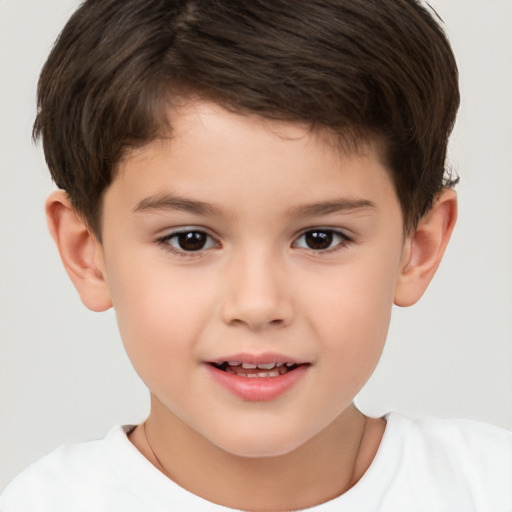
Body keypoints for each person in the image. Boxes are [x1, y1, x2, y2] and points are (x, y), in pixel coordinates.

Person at [1, 0, 510, 510]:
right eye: (190, 240)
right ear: (87, 253)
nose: (258, 303)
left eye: (320, 238)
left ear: (417, 249)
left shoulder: (488, 487)